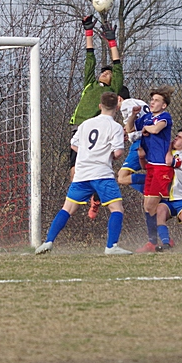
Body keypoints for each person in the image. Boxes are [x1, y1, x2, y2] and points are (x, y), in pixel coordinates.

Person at [35, 91, 132, 255]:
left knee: (67, 208)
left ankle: (48, 241)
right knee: (116, 209)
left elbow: (73, 145)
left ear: (100, 106)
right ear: (116, 107)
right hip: (102, 174)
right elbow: (117, 153)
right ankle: (111, 246)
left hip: (82, 173)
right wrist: (107, 152)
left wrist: (88, 153)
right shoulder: (115, 127)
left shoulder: (86, 124)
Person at [69, 16, 123, 219]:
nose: (105, 74)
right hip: (78, 128)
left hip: (96, 131)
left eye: (109, 73)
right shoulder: (90, 85)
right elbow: (89, 60)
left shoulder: (111, 90)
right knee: (74, 171)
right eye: (104, 72)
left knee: (99, 169)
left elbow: (118, 66)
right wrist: (88, 32)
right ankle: (85, 197)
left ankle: (97, 198)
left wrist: (112, 42)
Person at [126, 86, 174, 253]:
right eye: (152, 100)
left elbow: (156, 129)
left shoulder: (165, 117)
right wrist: (133, 115)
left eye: (156, 100)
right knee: (147, 206)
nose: (152, 103)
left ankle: (158, 241)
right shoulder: (146, 117)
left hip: (161, 168)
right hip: (151, 167)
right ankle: (160, 240)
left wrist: (145, 129)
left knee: (150, 205)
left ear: (164, 105)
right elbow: (129, 129)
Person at [156, 127, 182, 249]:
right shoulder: (165, 152)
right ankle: (165, 244)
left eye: (179, 138)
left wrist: (168, 147)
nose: (175, 138)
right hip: (166, 197)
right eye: (176, 136)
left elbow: (170, 162)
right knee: (159, 212)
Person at [116, 85, 149, 195]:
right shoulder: (140, 102)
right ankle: (150, 191)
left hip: (140, 143)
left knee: (122, 177)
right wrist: (128, 133)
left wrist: (129, 132)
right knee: (124, 176)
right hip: (148, 141)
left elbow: (134, 119)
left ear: (119, 98)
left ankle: (155, 180)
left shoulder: (126, 104)